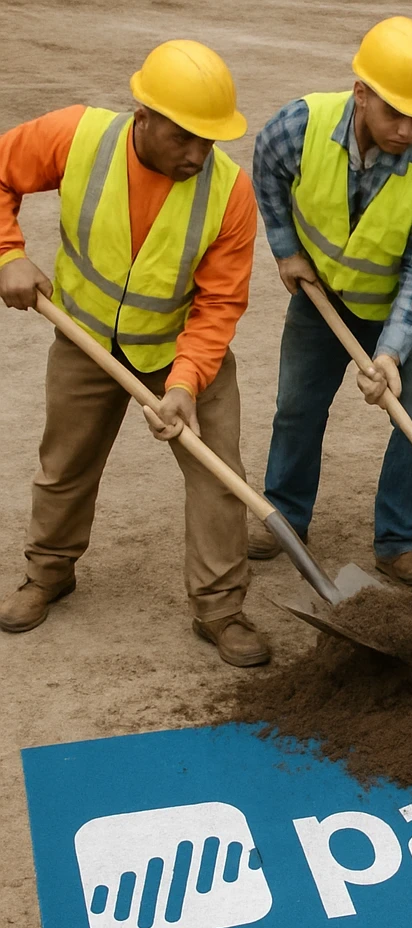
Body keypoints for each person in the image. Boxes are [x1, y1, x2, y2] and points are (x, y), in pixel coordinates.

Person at [0, 40, 271, 667]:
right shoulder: (78, 137)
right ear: (141, 115)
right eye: (184, 137)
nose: (198, 155)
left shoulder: (230, 194)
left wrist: (184, 384)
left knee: (217, 476)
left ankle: (220, 609)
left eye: (209, 140)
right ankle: (49, 572)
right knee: (65, 464)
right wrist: (9, 254)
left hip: (180, 350)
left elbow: (219, 305)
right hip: (85, 337)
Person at [249, 15, 412, 587]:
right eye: (395, 112)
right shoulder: (297, 127)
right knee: (296, 407)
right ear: (361, 94)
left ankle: (398, 538)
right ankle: (287, 516)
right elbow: (266, 169)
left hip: (400, 308)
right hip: (321, 297)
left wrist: (391, 353)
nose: (407, 129)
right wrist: (284, 248)